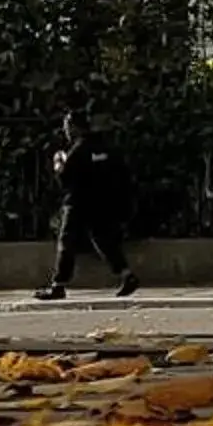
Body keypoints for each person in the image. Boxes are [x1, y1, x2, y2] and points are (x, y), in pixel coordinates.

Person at [36, 109, 139, 301]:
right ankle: (127, 275)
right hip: (103, 202)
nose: (66, 131)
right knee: (103, 240)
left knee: (67, 242)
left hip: (78, 203)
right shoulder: (106, 147)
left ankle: (58, 285)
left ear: (74, 127)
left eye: (67, 127)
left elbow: (65, 179)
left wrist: (58, 164)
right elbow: (123, 174)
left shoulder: (79, 150)